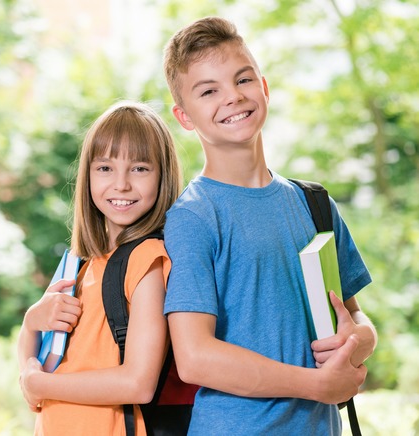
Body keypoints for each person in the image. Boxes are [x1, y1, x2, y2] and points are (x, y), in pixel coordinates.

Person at [162, 16, 378, 435]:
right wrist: (318, 385)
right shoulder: (193, 217)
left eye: (242, 80)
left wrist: (359, 341)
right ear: (185, 116)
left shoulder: (314, 203)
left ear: (263, 86)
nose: (232, 97)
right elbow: (194, 357)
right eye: (209, 90)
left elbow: (357, 318)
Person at [17, 101, 182, 435]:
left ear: (162, 176)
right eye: (105, 168)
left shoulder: (146, 259)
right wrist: (32, 321)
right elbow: (35, 365)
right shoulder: (79, 266)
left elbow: (138, 383)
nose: (121, 184)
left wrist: (41, 384)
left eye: (140, 168)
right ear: (87, 175)